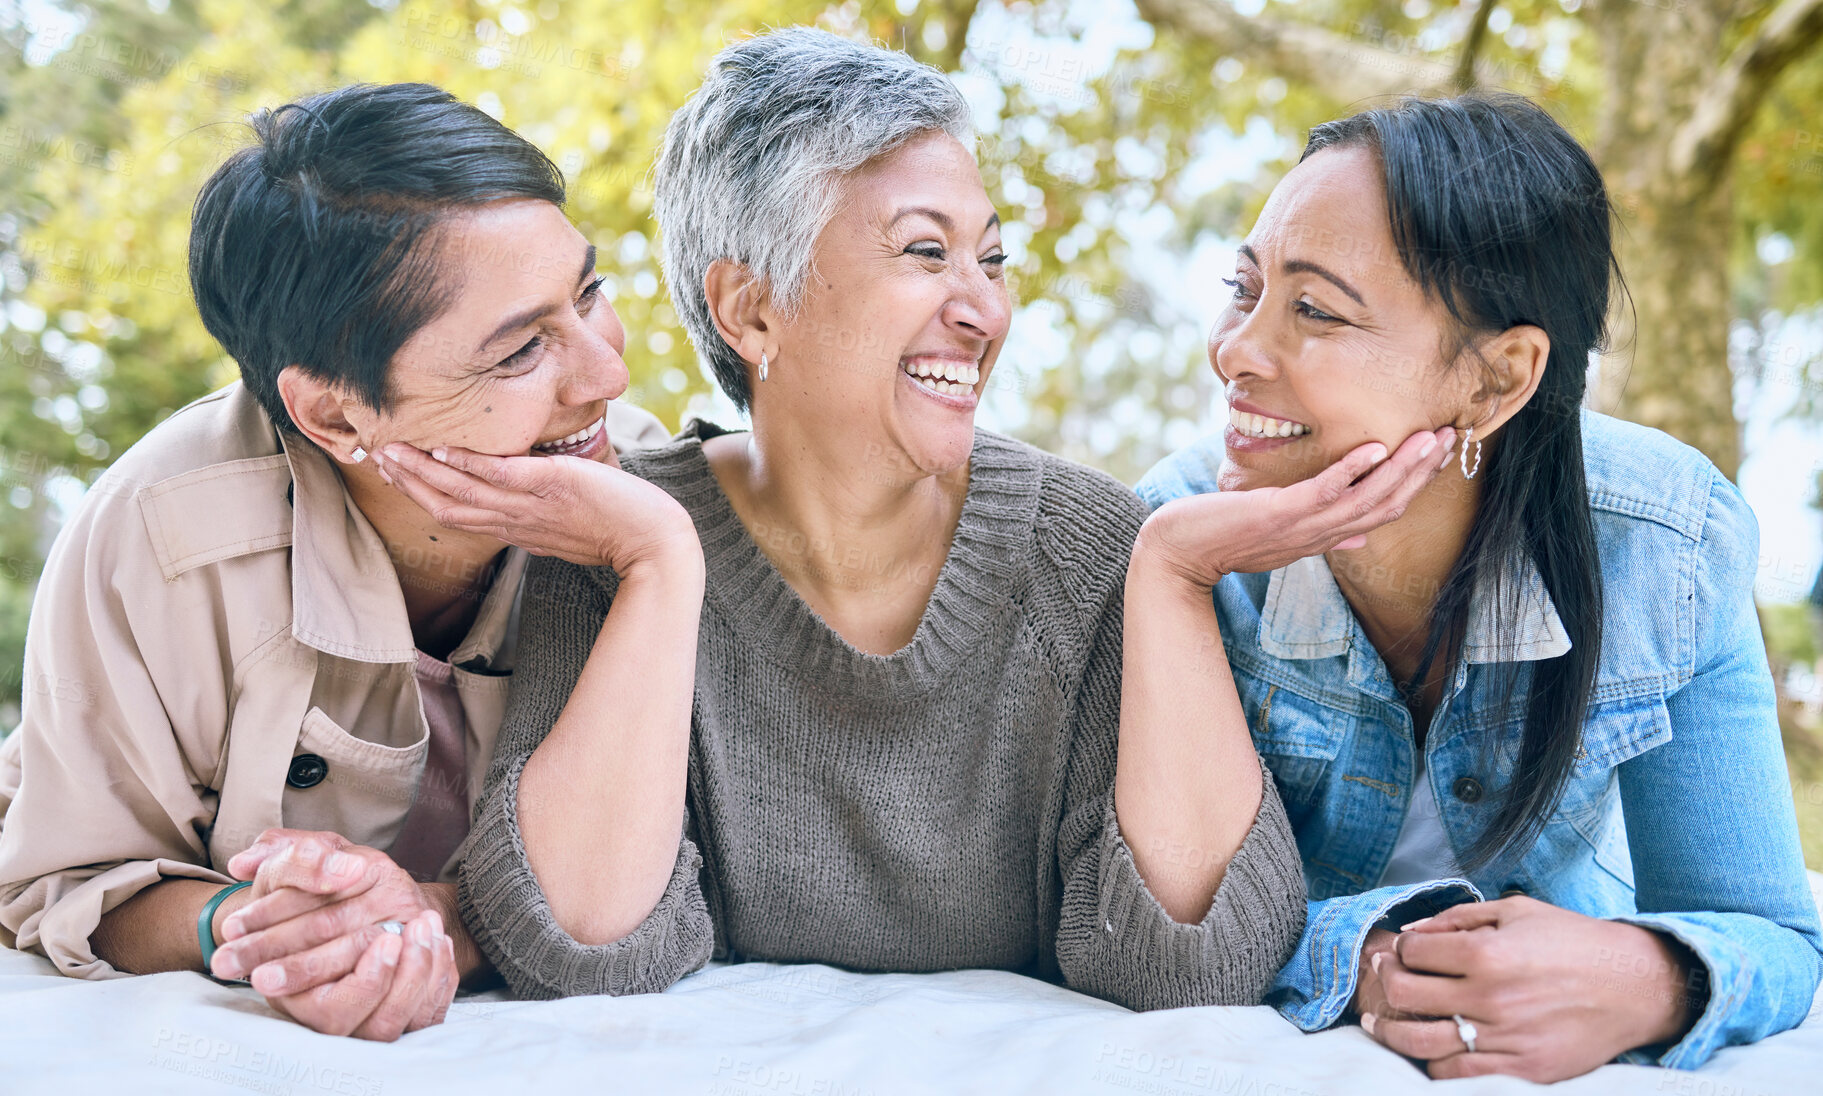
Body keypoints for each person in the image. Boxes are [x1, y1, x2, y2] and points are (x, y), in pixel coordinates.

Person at [407, 28, 1442, 1008]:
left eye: (987, 260)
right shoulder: (614, 545)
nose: (982, 308)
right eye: (921, 253)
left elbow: (1195, 966)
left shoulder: (1085, 545)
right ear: (750, 309)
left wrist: (1168, 570)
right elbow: (581, 944)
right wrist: (658, 560)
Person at [1137, 91, 1823, 1080]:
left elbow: (1767, 932)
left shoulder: (1662, 543)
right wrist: (1377, 957)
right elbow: (1152, 922)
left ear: (1495, 381)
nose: (1234, 351)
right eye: (1242, 290)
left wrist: (1647, 973)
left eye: (1312, 309)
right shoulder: (1172, 533)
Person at [0, 82, 674, 1040]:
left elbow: (664, 880)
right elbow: (65, 878)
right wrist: (254, 925)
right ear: (334, 413)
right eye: (522, 349)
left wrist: (445, 925)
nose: (608, 374)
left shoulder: (651, 496)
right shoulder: (158, 537)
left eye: (589, 294)